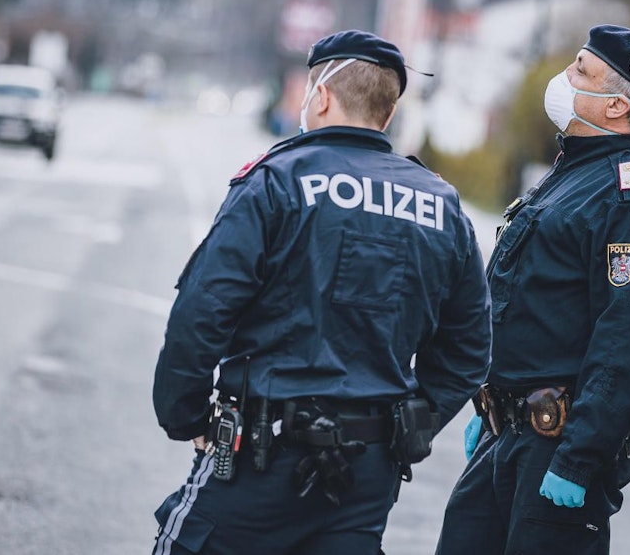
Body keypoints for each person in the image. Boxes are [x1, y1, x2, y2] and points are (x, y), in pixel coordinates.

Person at [151, 29, 492, 555]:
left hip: (260, 456)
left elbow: (203, 311)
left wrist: (187, 416)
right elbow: (469, 350)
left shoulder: (276, 181)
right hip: (368, 473)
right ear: (388, 114)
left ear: (323, 96)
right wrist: (407, 424)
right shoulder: (441, 205)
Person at [436, 24, 630, 555]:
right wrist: (488, 410)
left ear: (616, 106)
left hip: (555, 442)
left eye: (581, 70)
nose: (565, 76)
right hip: (506, 429)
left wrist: (579, 458)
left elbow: (629, 337)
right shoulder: (575, 168)